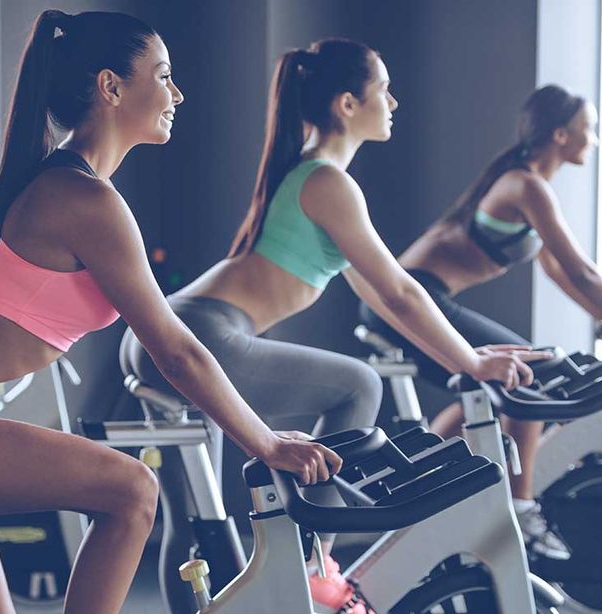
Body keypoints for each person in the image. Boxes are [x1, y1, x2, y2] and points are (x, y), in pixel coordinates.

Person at [0, 11, 336, 614]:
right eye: (163, 76)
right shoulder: (83, 198)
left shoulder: (69, 185)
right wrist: (266, 443)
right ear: (111, 87)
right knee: (131, 489)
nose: (177, 93)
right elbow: (176, 349)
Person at [121, 39, 543, 614]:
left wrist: (464, 355)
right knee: (358, 385)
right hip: (201, 333)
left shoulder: (314, 179)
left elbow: (387, 297)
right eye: (383, 90)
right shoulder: (327, 182)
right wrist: (469, 363)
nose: (394, 101)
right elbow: (400, 289)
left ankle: (299, 569)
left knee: (198, 518)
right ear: (348, 104)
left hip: (166, 332)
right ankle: (313, 566)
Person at [361, 84, 602, 559]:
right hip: (409, 302)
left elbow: (561, 274)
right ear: (559, 136)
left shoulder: (529, 185)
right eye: (587, 131)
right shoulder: (525, 185)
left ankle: (417, 470)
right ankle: (522, 505)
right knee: (532, 375)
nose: (593, 140)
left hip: (420, 300)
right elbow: (583, 270)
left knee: (492, 392)